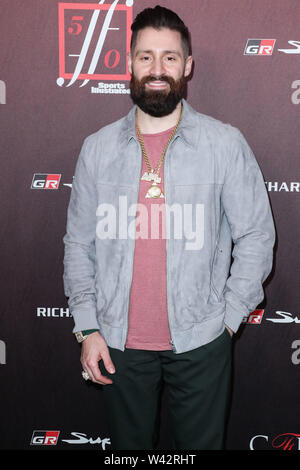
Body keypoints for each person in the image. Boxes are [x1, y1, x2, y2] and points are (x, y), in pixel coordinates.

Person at [63, 5, 275, 450]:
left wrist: (228, 322)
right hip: (117, 342)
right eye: (146, 57)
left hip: (202, 341)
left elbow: (256, 235)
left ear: (188, 66)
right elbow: (79, 243)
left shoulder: (225, 144)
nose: (157, 69)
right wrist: (87, 327)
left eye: (170, 57)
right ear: (129, 63)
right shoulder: (97, 149)